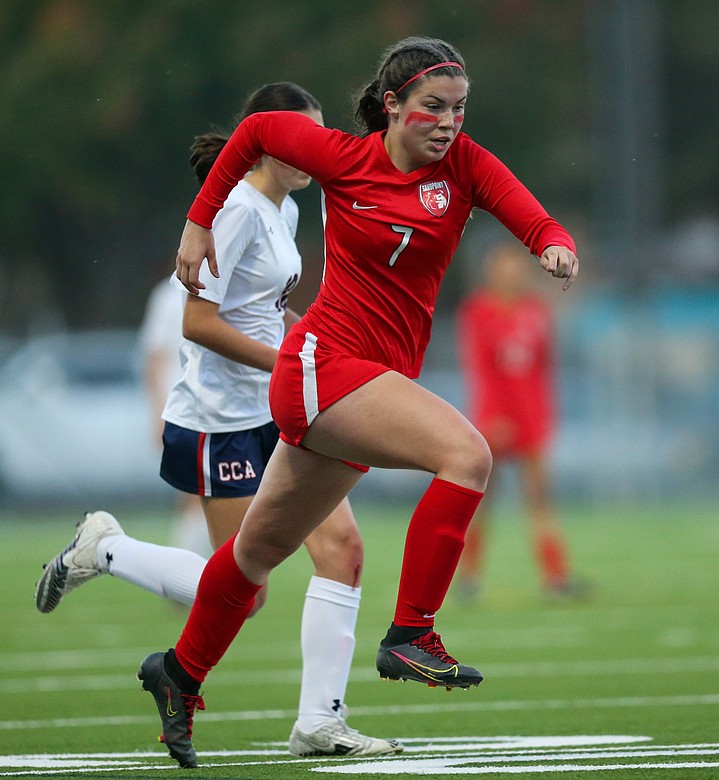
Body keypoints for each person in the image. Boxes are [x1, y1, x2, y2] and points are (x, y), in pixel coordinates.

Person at [132, 36, 580, 768]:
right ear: (392, 106)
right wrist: (197, 221)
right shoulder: (344, 157)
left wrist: (553, 245)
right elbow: (254, 132)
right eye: (431, 108)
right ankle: (413, 635)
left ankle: (178, 674)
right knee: (466, 454)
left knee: (256, 555)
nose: (448, 122)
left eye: (459, 108)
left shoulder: (463, 165)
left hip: (358, 381)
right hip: (322, 367)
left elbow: (531, 216)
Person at [34, 83, 401, 760]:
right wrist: (287, 361)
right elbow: (196, 324)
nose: (310, 152)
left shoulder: (284, 209)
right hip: (219, 424)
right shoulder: (233, 211)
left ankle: (319, 722)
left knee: (342, 553)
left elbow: (267, 309)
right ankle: (104, 548)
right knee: (243, 592)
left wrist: (320, 346)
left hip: (277, 413)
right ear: (261, 140)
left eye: (317, 138)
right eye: (296, 137)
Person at [454, 239, 588, 600]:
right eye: (504, 264)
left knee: (541, 497)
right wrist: (491, 417)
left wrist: (545, 416)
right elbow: (480, 369)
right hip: (494, 420)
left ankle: (556, 576)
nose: (511, 272)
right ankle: (467, 575)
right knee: (481, 499)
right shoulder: (478, 312)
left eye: (516, 265)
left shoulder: (536, 311)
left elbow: (545, 368)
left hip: (531, 418)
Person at [139, 274, 209, 556]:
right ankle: (188, 571)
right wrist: (158, 413)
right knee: (195, 491)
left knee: (206, 491)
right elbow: (154, 358)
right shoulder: (168, 297)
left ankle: (193, 571)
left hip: (212, 406)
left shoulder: (224, 291)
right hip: (182, 407)